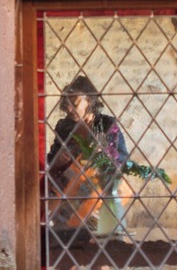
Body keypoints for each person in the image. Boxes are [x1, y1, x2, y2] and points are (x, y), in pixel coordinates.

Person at [45, 75, 130, 238]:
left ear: (90, 101)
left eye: (74, 103)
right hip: (69, 192)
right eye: (67, 104)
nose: (69, 109)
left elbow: (123, 160)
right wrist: (58, 161)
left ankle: (94, 228)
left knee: (101, 251)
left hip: (99, 192)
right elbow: (50, 161)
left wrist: (104, 157)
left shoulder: (106, 125)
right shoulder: (64, 127)